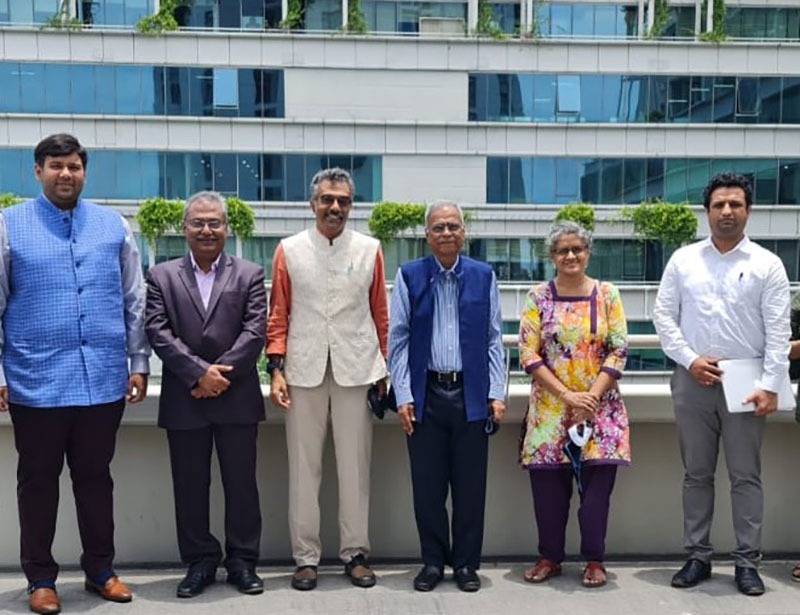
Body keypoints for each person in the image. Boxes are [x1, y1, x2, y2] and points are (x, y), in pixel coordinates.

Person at [0, 134, 150, 615]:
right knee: (37, 483)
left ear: (84, 172)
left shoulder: (113, 226)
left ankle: (100, 570)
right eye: (56, 166)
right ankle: (40, 579)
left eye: (74, 166)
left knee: (95, 480)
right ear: (37, 171)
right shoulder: (8, 226)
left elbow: (134, 299)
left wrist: (139, 362)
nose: (66, 174)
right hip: (35, 381)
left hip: (102, 379)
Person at [653, 172, 790, 596]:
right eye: (719, 205)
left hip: (746, 383)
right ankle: (698, 556)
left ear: (749, 210)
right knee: (696, 474)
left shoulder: (767, 264)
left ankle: (747, 563)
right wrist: (690, 360)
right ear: (707, 211)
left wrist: (770, 385)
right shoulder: (683, 260)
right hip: (692, 378)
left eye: (735, 204)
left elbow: (778, 330)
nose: (727, 211)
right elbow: (663, 317)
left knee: (746, 476)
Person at [267, 167, 388, 591]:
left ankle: (355, 553)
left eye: (343, 201)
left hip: (358, 368)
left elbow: (380, 312)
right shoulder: (289, 249)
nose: (335, 207)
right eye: (327, 200)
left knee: (355, 468)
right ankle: (305, 558)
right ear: (313, 203)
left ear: (351, 206)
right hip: (303, 370)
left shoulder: (370, 249)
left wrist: (384, 369)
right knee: (304, 470)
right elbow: (278, 313)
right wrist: (275, 369)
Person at [145, 191, 266, 598]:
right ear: (184, 228)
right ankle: (200, 562)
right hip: (185, 396)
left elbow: (255, 331)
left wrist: (218, 376)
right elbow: (157, 331)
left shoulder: (249, 273)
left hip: (237, 396)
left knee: (242, 485)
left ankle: (243, 562)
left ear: (227, 229)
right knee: (189, 486)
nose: (206, 230)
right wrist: (198, 373)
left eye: (215, 222)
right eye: (198, 222)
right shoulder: (161, 276)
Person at [388, 200, 506, 593]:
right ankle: (433, 562)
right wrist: (403, 395)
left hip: (471, 394)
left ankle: (467, 565)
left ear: (463, 232)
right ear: (427, 235)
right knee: (428, 489)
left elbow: (494, 339)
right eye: (438, 227)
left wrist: (496, 392)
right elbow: (398, 340)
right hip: (426, 395)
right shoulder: (409, 276)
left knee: (471, 489)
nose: (446, 233)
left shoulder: (483, 276)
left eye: (453, 226)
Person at [518, 220, 630, 589]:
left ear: (588, 253)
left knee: (596, 497)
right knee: (548, 494)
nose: (570, 256)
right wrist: (567, 396)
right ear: (551, 256)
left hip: (600, 410)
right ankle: (549, 557)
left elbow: (619, 349)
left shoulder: (608, 294)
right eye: (562, 250)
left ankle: (595, 560)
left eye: (577, 249)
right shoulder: (538, 297)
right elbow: (527, 353)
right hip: (551, 410)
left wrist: (591, 396)